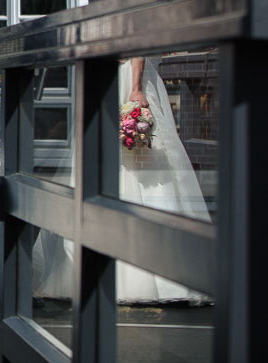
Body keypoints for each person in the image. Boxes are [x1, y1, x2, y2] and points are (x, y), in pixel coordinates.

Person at [35, 56, 212, 303]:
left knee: (131, 159)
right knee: (127, 161)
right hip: (112, 77)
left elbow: (135, 45)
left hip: (124, 77)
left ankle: (117, 270)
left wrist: (136, 87)